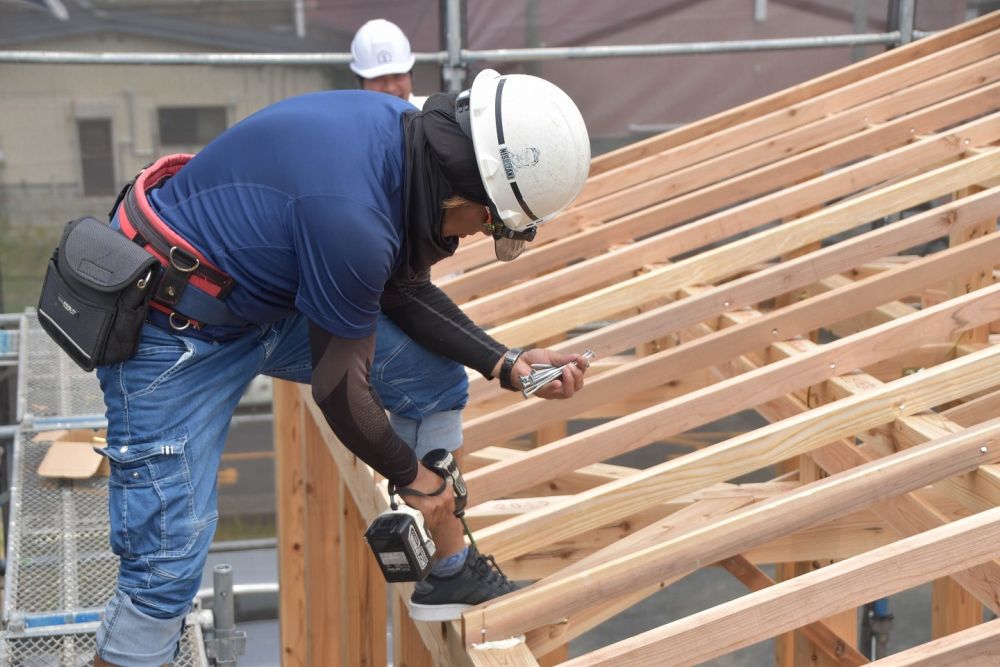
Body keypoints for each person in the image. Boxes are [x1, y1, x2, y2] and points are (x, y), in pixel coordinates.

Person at [90, 67, 591, 667]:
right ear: (467, 196)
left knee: (431, 382)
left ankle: (449, 567)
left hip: (259, 295)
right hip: (170, 331)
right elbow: (338, 390)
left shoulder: (405, 142)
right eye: (490, 225)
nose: (482, 236)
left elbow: (400, 289)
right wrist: (414, 477)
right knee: (165, 567)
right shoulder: (353, 217)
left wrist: (506, 362)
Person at [350, 18, 471, 487]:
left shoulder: (427, 124)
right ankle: (424, 512)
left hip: (396, 277)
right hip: (366, 280)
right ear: (359, 80)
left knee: (430, 374)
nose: (393, 86)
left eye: (399, 75)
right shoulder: (357, 139)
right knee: (435, 382)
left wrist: (504, 360)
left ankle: (418, 508)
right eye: (380, 78)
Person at [350, 18, 427, 107]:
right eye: (378, 78)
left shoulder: (430, 117)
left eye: (398, 75)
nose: (390, 88)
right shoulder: (348, 120)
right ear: (360, 83)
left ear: (411, 76)